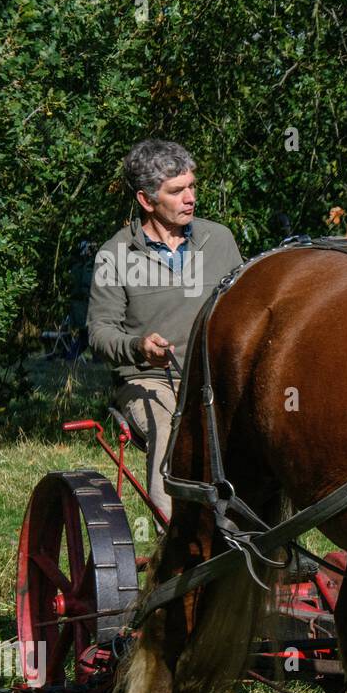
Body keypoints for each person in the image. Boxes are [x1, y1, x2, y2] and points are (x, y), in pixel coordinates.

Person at [88, 139, 242, 526]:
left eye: (192, 186)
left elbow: (245, 306)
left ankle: (266, 540)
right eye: (177, 191)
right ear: (146, 199)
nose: (190, 198)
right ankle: (177, 545)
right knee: (171, 427)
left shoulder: (219, 239)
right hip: (151, 379)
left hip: (218, 375)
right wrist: (138, 347)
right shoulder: (115, 254)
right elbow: (100, 332)